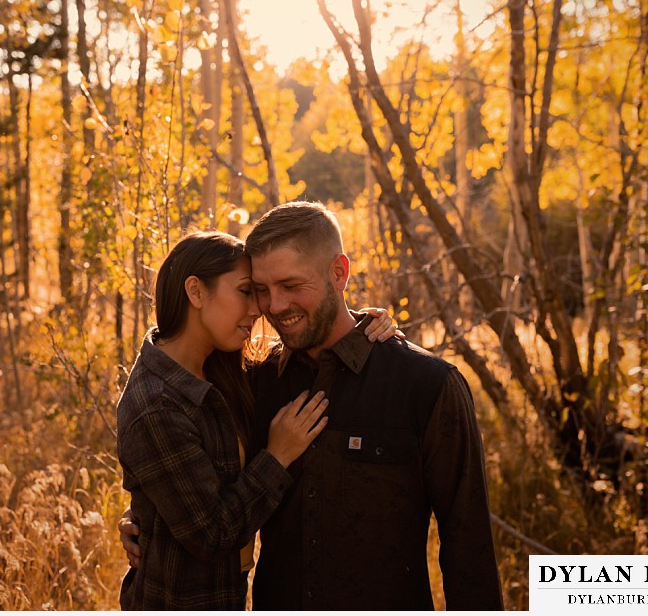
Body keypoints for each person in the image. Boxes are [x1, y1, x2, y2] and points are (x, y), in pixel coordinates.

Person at [122, 202, 504, 610]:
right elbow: (197, 480)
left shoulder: (427, 386)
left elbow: (470, 549)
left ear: (339, 273)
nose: (273, 306)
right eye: (261, 290)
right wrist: (142, 515)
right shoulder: (255, 380)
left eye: (290, 285)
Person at [116, 230, 398, 610]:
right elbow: (212, 535)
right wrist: (277, 457)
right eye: (246, 291)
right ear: (196, 292)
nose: (259, 308)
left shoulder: (221, 370)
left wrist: (365, 325)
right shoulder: (157, 405)